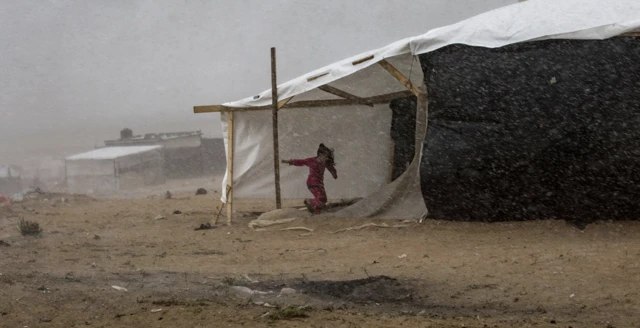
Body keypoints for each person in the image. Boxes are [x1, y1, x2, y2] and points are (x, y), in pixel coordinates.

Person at [282, 143, 337, 214]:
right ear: (320, 155)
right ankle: (310, 202)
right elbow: (301, 162)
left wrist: (334, 174)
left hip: (320, 183)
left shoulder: (324, 163)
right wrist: (290, 161)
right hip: (312, 183)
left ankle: (316, 211)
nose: (326, 159)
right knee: (319, 198)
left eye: (327, 157)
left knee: (324, 199)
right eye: (325, 157)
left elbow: (331, 168)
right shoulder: (311, 160)